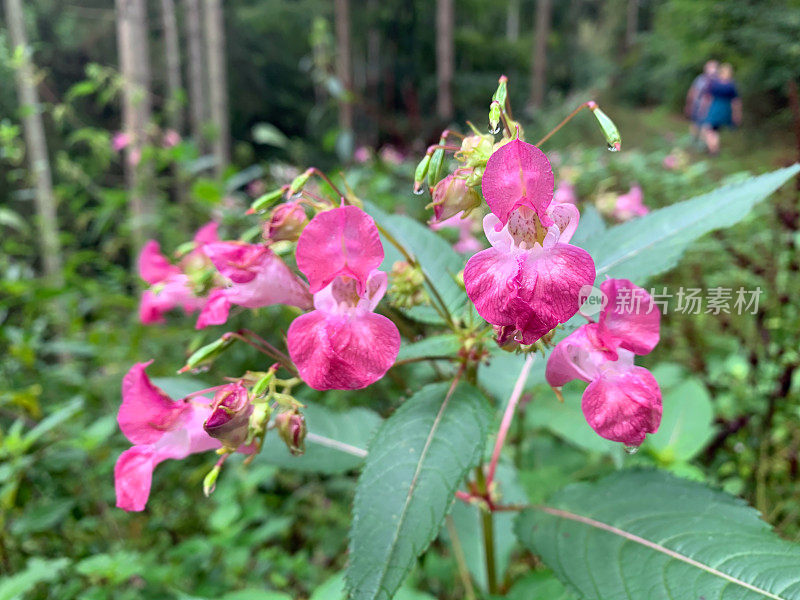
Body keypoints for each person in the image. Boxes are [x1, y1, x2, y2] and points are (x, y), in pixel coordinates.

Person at [699, 63, 742, 155]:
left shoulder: (714, 83)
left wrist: (703, 109)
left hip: (715, 107)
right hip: (726, 109)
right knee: (715, 130)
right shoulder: (731, 85)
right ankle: (714, 149)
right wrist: (736, 114)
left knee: (708, 129)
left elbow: (707, 98)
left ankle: (713, 149)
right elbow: (736, 102)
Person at [685, 60, 718, 140]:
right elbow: (693, 91)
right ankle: (693, 140)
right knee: (695, 124)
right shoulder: (700, 79)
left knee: (707, 127)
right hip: (697, 105)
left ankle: (704, 144)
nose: (711, 69)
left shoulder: (719, 81)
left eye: (713, 67)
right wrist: (689, 104)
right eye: (709, 67)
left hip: (711, 107)